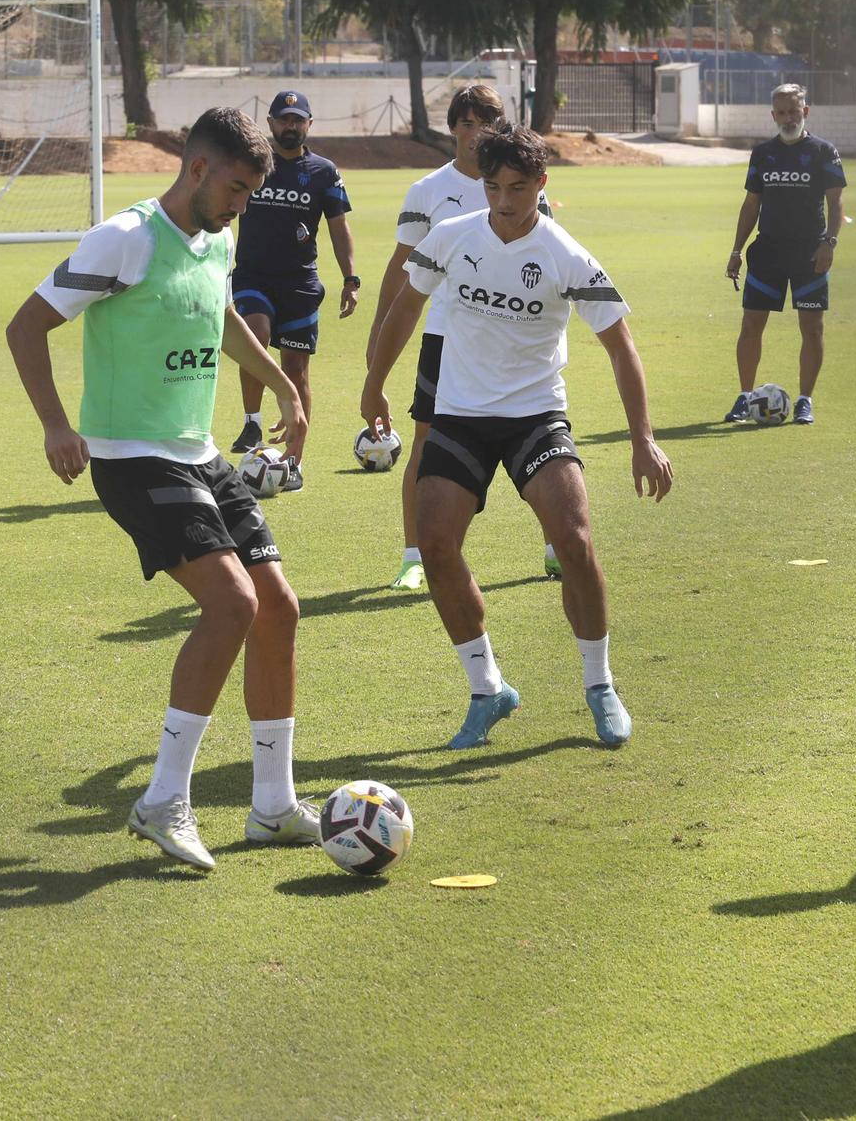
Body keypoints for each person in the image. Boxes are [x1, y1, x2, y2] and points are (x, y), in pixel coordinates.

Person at [4, 107, 315, 871]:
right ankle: (162, 799)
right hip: (132, 458)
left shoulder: (219, 237)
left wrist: (282, 385)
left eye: (251, 193)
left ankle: (272, 806)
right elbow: (25, 326)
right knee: (232, 603)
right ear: (198, 168)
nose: (242, 205)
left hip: (199, 453)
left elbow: (222, 318)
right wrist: (55, 425)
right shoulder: (126, 239)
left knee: (277, 606)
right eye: (236, 188)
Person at [362, 123, 672, 751]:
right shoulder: (451, 237)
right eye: (493, 187)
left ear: (541, 184)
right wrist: (374, 384)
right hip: (459, 416)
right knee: (435, 544)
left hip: (535, 416)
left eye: (518, 188)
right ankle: (487, 689)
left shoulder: (565, 255)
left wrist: (643, 438)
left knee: (574, 542)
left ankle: (600, 684)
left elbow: (621, 348)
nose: (504, 202)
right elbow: (405, 308)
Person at [367, 83, 558, 591]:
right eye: (467, 123)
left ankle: (556, 544)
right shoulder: (427, 191)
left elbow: (546, 256)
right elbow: (402, 268)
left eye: (487, 123)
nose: (477, 134)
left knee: (536, 438)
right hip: (446, 339)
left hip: (515, 337)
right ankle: (413, 558)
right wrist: (378, 337)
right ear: (452, 127)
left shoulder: (524, 184)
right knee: (427, 441)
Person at [226, 90, 357, 489]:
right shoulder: (251, 164)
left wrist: (350, 279)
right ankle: (252, 423)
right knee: (256, 334)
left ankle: (294, 462)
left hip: (300, 284)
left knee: (296, 370)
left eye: (298, 120)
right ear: (269, 123)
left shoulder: (324, 172)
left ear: (309, 125)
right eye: (284, 119)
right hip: (252, 277)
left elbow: (339, 228)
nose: (290, 126)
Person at [725, 83, 846, 427]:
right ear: (773, 115)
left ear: (805, 111)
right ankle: (745, 397)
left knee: (812, 328)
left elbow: (835, 202)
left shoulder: (824, 151)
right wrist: (736, 250)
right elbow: (751, 205)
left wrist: (829, 243)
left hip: (810, 253)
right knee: (751, 325)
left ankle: (805, 400)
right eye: (781, 112)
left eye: (794, 111)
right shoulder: (763, 153)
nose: (788, 118)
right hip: (768, 253)